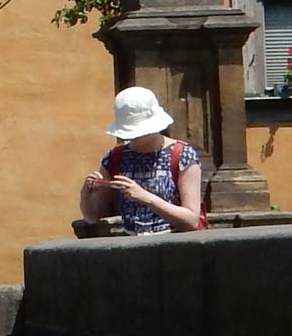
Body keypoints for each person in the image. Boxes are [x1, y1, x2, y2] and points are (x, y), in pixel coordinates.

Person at [81, 86, 209, 234]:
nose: (135, 137)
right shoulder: (115, 156)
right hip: (132, 247)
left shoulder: (182, 155)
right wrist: (86, 195)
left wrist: (145, 197)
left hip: (174, 245)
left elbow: (191, 220)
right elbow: (92, 218)